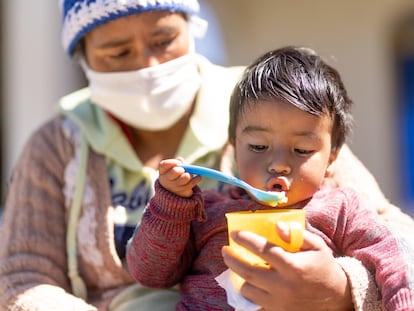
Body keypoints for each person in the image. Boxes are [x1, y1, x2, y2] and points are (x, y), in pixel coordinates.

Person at [0, 0, 412, 310]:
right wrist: (169, 207)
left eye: (164, 40)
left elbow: (396, 242)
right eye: (118, 53)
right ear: (83, 56)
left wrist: (339, 289)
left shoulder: (267, 105)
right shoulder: (57, 147)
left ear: (192, 27)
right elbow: (22, 279)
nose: (149, 65)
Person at [126, 46, 414, 310]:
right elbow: (150, 274)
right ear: (234, 149)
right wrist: (170, 205)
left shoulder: (342, 210)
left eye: (302, 150)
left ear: (332, 160)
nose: (278, 164)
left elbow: (393, 260)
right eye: (258, 147)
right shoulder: (206, 212)